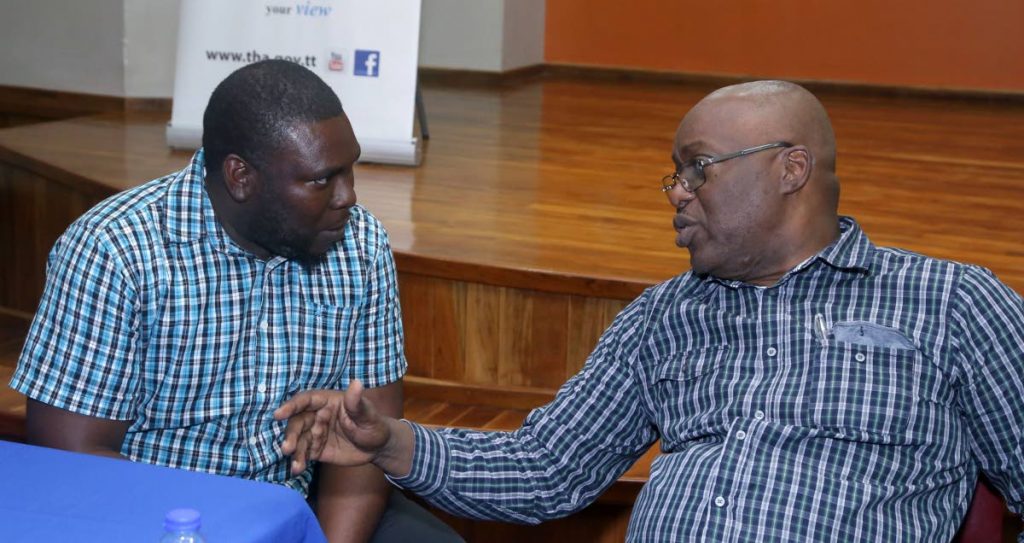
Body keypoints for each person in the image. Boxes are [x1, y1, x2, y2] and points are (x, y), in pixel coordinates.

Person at [274, 80, 1024, 541]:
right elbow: (546, 468)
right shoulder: (664, 316)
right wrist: (390, 442)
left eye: (697, 166)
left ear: (792, 167)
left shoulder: (950, 303)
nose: (675, 190)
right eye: (672, 173)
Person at [10, 59, 462, 543]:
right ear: (240, 177)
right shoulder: (116, 250)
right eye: (321, 179)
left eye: (350, 170)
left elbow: (368, 430)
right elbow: (74, 455)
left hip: (302, 497)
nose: (348, 196)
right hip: (159, 512)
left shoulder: (360, 242)